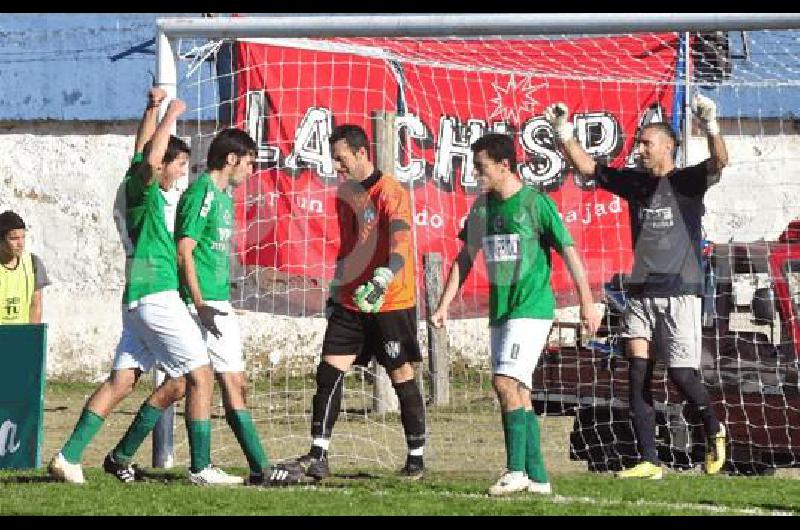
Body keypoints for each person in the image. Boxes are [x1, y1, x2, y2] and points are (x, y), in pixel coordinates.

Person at [49, 88, 234, 486]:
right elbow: (149, 155)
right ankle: (201, 468)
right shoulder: (143, 186)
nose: (183, 172)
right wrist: (172, 114)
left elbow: (142, 150)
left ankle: (69, 457)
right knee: (200, 373)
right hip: (156, 294)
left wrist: (152, 108)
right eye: (179, 164)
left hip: (138, 298)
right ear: (162, 165)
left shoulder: (139, 183)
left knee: (124, 380)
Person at [544, 94, 729, 479]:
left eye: (646, 143)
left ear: (667, 146)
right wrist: (563, 131)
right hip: (641, 294)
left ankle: (714, 427)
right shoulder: (635, 184)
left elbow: (720, 162)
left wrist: (711, 125)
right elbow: (589, 167)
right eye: (639, 143)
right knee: (637, 374)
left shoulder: (687, 181)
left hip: (681, 292)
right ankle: (649, 461)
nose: (639, 148)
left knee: (681, 375)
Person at [430, 133, 601, 496]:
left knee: (505, 383)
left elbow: (568, 251)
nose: (476, 175)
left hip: (532, 308)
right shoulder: (482, 208)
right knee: (519, 391)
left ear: (504, 165)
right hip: (502, 311)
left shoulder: (534, 204)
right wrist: (444, 304)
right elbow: (465, 257)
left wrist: (587, 302)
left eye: (481, 167)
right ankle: (538, 477)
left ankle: (516, 470)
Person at [285, 124, 427, 481]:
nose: (337, 167)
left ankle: (416, 459)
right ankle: (318, 454)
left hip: (391, 301)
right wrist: (336, 289)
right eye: (334, 160)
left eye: (341, 159)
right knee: (328, 373)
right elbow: (349, 248)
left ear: (363, 153)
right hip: (352, 301)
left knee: (401, 376)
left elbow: (400, 247)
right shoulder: (344, 194)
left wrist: (383, 278)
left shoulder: (391, 192)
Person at [171, 127, 304, 486]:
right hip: (202, 304)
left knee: (212, 383)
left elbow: (210, 254)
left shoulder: (225, 198)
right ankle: (256, 468)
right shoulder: (203, 194)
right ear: (231, 160)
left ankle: (235, 467)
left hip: (217, 300)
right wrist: (199, 303)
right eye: (250, 162)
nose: (252, 171)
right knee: (222, 381)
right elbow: (184, 250)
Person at [0, 210, 50, 324]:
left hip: (22, 337)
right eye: (14, 238)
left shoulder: (33, 263)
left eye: (23, 237)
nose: (20, 243)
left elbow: (35, 306)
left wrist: (31, 338)